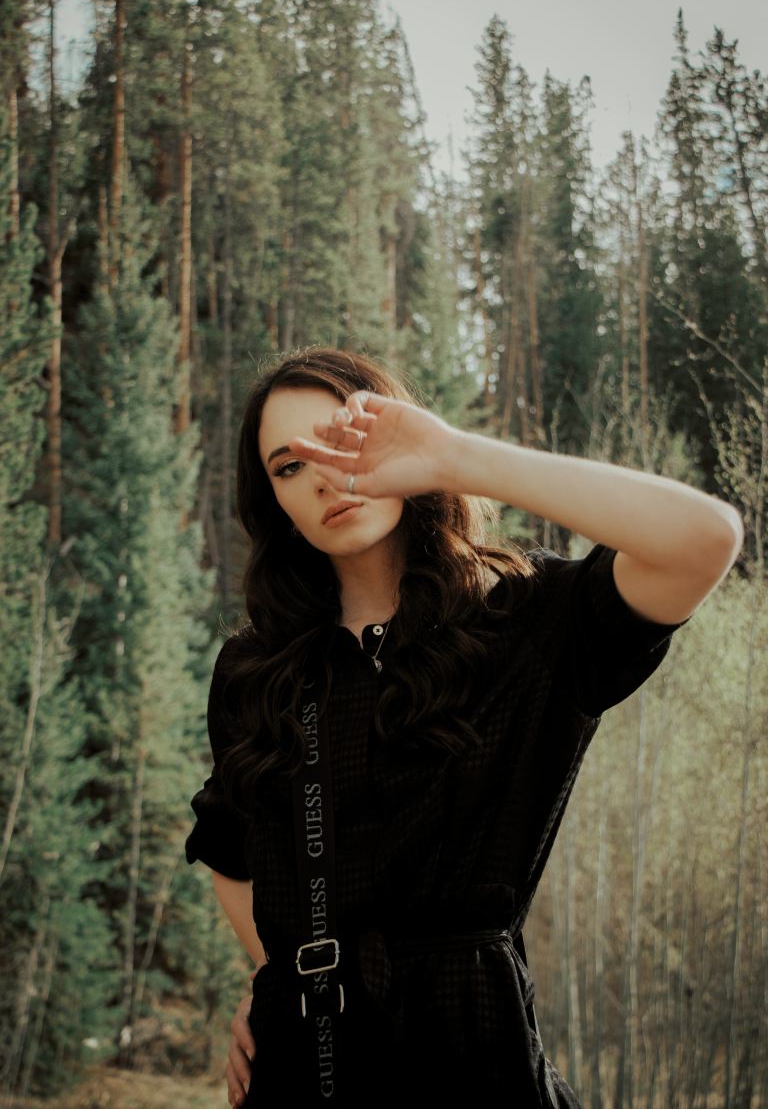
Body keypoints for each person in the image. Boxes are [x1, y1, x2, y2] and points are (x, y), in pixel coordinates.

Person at [185, 346, 742, 1108]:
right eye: (288, 466)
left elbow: (705, 538)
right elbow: (227, 850)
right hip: (301, 1068)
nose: (321, 474)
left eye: (343, 439)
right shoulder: (255, 670)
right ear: (273, 500)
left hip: (473, 1055)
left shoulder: (524, 622)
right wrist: (288, 973)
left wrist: (454, 456)